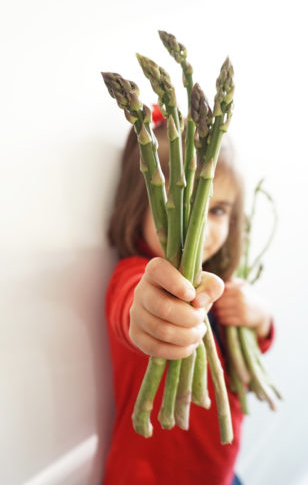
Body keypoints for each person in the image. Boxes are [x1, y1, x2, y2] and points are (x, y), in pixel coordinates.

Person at [103, 107, 275, 485]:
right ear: (139, 202)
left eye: (216, 211)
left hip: (222, 473)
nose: (200, 227)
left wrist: (260, 318)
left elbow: (248, 351)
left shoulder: (222, 284)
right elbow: (130, 308)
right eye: (184, 208)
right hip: (146, 478)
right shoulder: (136, 275)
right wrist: (148, 314)